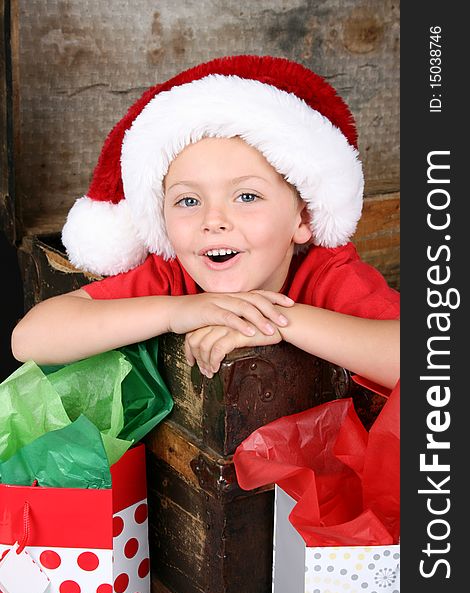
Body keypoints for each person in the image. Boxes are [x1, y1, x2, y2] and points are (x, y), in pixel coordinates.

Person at [11, 55, 399, 390]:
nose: (213, 221)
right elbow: (29, 338)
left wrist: (280, 321)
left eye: (247, 197)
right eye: (188, 200)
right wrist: (176, 312)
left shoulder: (328, 273)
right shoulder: (173, 277)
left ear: (303, 218)